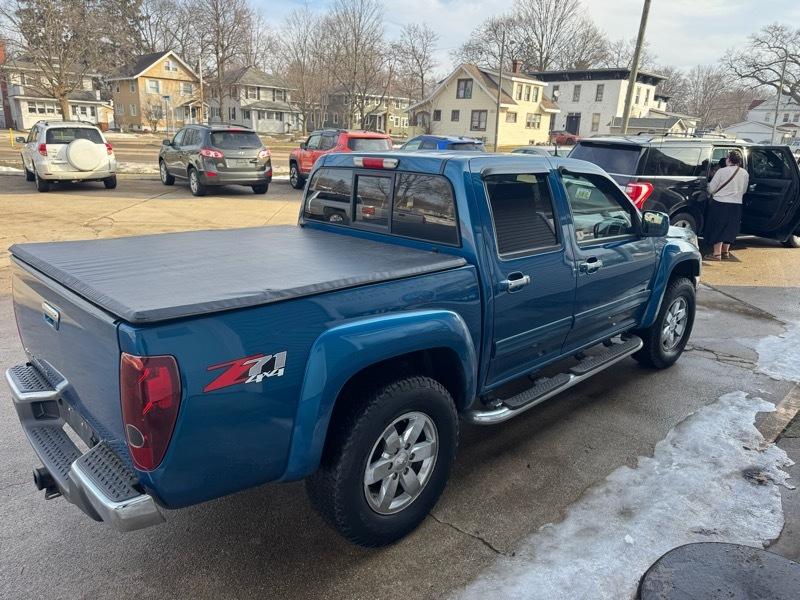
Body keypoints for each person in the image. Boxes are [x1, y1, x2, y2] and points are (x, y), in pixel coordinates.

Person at [704, 150, 748, 261]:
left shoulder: (721, 171)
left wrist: (708, 188)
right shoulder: (744, 173)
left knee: (717, 227)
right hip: (736, 204)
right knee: (730, 227)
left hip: (720, 203)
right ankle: (725, 252)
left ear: (728, 159)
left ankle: (716, 254)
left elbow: (711, 188)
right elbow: (744, 190)